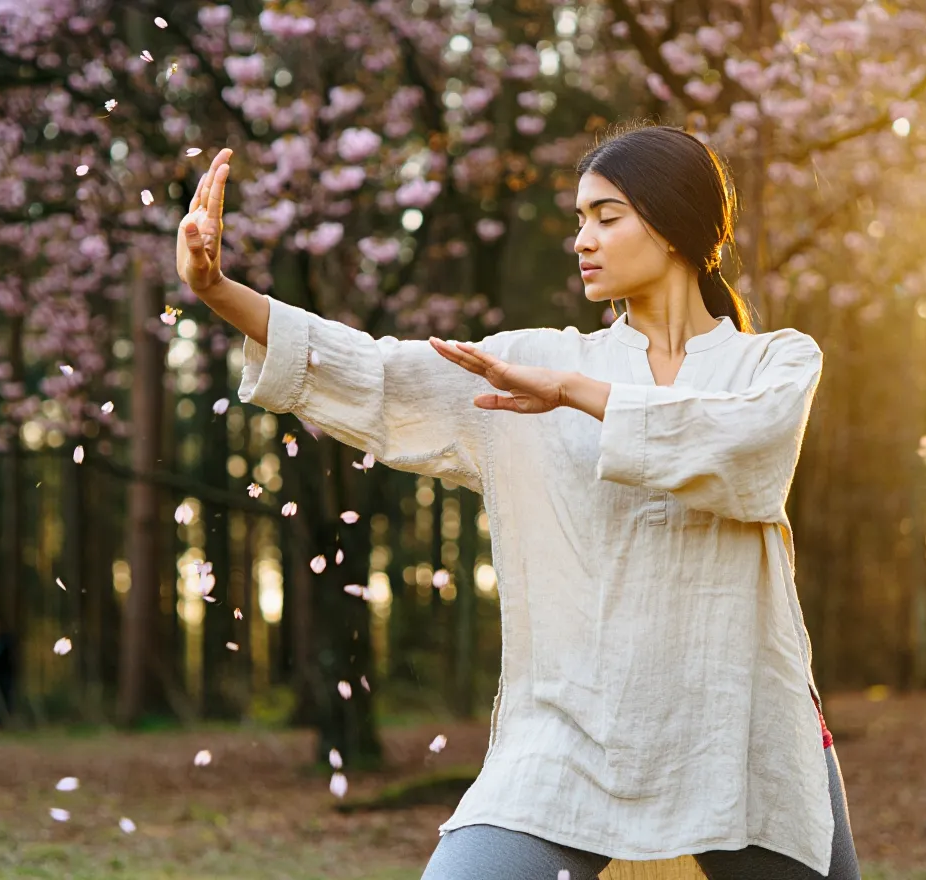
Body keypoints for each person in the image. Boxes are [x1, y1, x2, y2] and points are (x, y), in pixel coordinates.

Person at [177, 123, 860, 880]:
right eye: (578, 221)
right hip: (571, 735)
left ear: (672, 226)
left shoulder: (771, 362)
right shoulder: (534, 360)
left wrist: (574, 395)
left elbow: (747, 448)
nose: (582, 240)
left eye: (606, 216)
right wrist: (217, 290)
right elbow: (378, 376)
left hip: (743, 725)